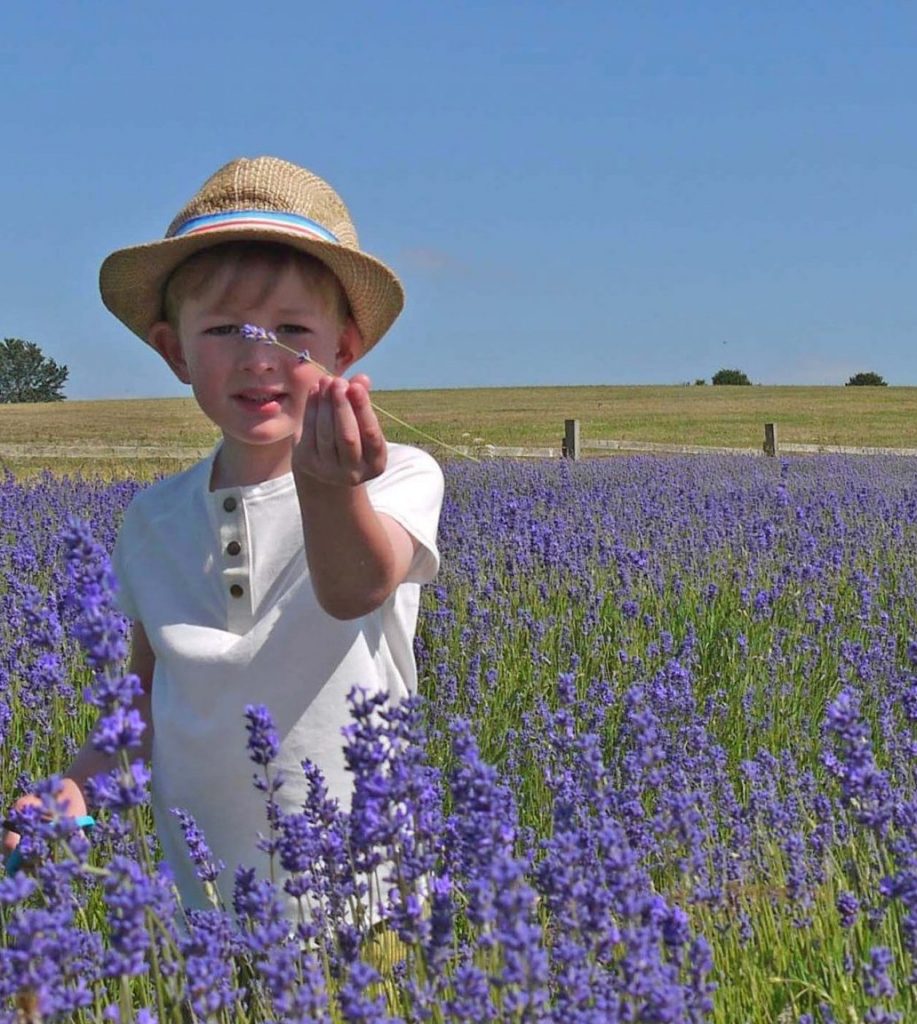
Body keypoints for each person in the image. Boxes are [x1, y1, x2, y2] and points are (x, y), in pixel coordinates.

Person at [2, 156, 445, 918]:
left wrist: (329, 485)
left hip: (365, 900)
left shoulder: (395, 477)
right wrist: (77, 783)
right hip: (205, 913)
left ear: (346, 349)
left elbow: (355, 589)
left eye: (291, 330)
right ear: (176, 352)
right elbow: (140, 702)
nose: (259, 354)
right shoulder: (154, 520)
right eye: (224, 330)